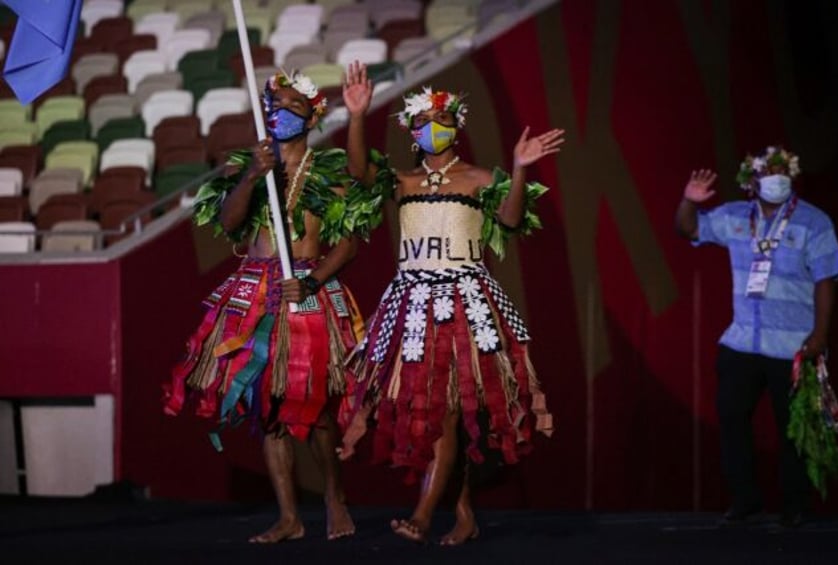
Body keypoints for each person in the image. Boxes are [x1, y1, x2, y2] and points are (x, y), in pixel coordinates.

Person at [336, 62, 562, 544]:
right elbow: (359, 173)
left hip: (463, 304)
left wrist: (520, 169)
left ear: (456, 128)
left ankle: (421, 515)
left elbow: (511, 218)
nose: (432, 129)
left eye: (441, 121)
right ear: (412, 133)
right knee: (433, 412)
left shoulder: (479, 177)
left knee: (448, 413)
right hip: (410, 305)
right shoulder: (402, 181)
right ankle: (464, 516)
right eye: (422, 122)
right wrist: (357, 115)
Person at [163, 69, 366, 542]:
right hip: (255, 289)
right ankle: (289, 517)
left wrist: (312, 281)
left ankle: (335, 497)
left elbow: (349, 245)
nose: (279, 114)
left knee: (313, 407)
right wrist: (254, 176)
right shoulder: (249, 163)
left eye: (292, 107)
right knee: (268, 407)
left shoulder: (329, 170)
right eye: (273, 106)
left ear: (312, 116)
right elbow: (231, 223)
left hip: (308, 286)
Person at [675, 147, 838, 527]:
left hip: (793, 346)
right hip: (742, 343)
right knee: (732, 417)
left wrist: (819, 334)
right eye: (769, 172)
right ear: (752, 182)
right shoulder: (736, 217)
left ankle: (795, 505)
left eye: (782, 171)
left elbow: (826, 280)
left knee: (794, 429)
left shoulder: (813, 222)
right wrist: (689, 201)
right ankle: (745, 498)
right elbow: (688, 228)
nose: (776, 178)